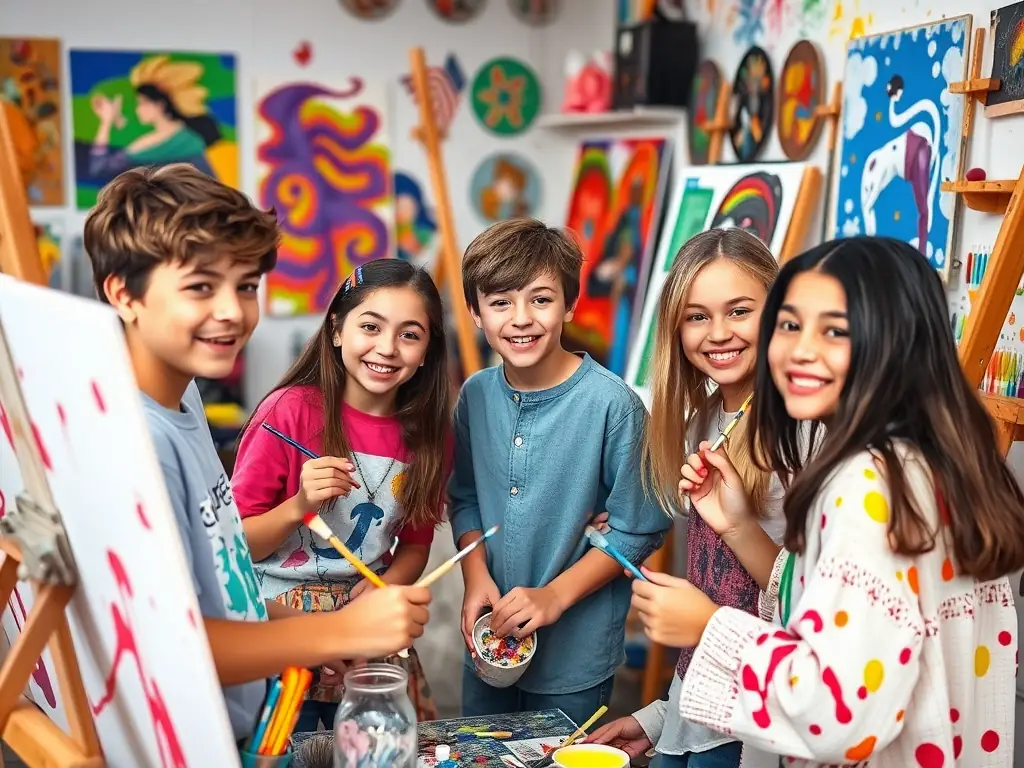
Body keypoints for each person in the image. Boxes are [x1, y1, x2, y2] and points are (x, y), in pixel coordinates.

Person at [632, 237, 1024, 767]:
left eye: (834, 330)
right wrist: (741, 527)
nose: (798, 350)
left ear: (895, 341)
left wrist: (709, 628)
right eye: (790, 325)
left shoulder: (869, 488)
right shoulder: (928, 465)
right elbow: (845, 626)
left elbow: (834, 713)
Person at [83, 163, 431, 745]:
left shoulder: (184, 395)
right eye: (201, 286)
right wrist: (337, 632)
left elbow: (221, 589)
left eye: (245, 285)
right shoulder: (131, 443)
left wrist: (329, 630)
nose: (232, 311)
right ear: (124, 293)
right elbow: (169, 646)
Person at [448, 217, 671, 728]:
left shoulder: (614, 406)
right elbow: (464, 497)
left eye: (541, 299)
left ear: (570, 305)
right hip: (486, 642)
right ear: (476, 313)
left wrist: (554, 596)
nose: (521, 318)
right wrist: (474, 574)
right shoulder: (475, 396)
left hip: (576, 655)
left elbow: (639, 529)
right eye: (500, 302)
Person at [587, 229, 789, 768]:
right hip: (696, 711)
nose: (718, 333)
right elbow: (710, 595)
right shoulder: (701, 418)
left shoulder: (804, 430)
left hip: (762, 721)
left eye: (739, 310)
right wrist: (662, 717)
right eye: (697, 316)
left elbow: (811, 605)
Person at [232, 258, 450, 731]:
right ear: (336, 330)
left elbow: (414, 547)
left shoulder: (430, 437)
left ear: (429, 350)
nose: (387, 349)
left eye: (410, 335)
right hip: (278, 624)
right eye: (370, 326)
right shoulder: (288, 412)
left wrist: (367, 613)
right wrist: (299, 506)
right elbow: (237, 546)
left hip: (368, 626)